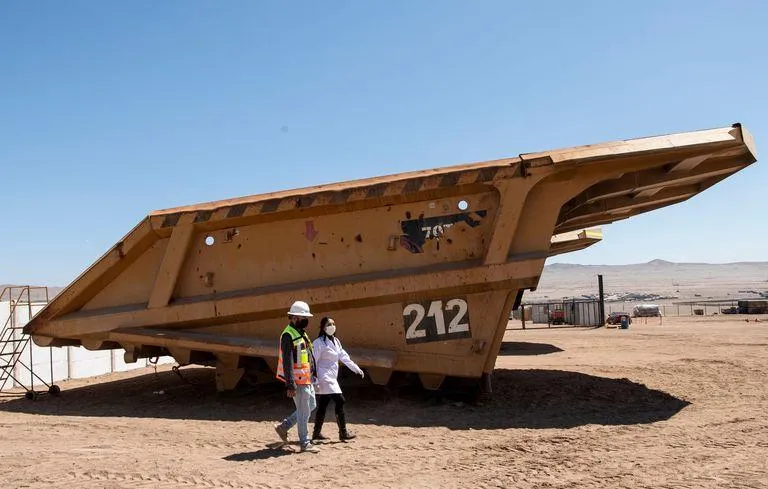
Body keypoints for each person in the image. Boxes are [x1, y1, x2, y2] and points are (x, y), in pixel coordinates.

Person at [274, 300, 320, 453]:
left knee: (310, 406)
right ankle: (304, 442)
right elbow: (287, 362)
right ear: (293, 317)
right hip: (298, 381)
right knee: (303, 411)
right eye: (302, 317)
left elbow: (308, 356)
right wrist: (290, 384)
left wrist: (314, 376)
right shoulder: (288, 335)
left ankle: (284, 427)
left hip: (306, 379)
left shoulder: (301, 333)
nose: (305, 320)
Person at [311, 316, 365, 442]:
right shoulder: (318, 343)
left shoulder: (336, 341)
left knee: (323, 405)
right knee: (340, 401)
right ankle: (343, 432)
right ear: (323, 328)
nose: (332, 326)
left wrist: (356, 368)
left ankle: (316, 433)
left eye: (333, 324)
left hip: (332, 377)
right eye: (329, 324)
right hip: (323, 377)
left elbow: (344, 357)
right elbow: (313, 361)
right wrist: (314, 379)